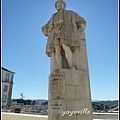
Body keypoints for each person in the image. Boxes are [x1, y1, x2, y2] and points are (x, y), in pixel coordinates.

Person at [42, 0, 86, 69]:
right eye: (57, 4)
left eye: (61, 4)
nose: (59, 5)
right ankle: (59, 67)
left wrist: (81, 26)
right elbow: (45, 27)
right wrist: (47, 30)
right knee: (57, 50)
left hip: (65, 33)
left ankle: (71, 65)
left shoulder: (70, 13)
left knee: (65, 46)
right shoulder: (53, 17)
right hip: (55, 35)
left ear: (64, 5)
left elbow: (81, 20)